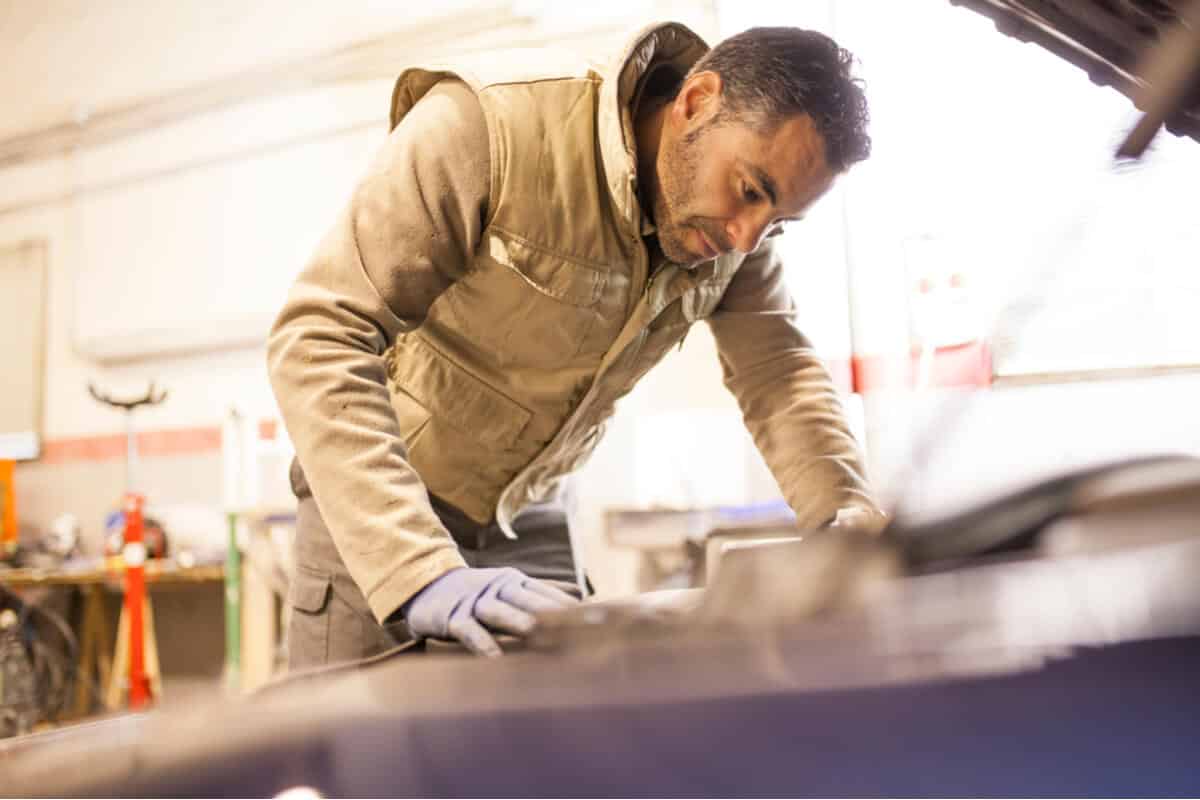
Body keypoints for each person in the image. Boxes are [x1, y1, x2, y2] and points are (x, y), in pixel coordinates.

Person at [268, 21, 882, 668]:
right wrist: (415, 568)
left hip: (530, 518)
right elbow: (320, 333)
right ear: (696, 101)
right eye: (751, 191)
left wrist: (846, 522)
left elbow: (776, 371)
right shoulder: (487, 129)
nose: (745, 239)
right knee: (350, 756)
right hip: (378, 512)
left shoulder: (734, 236)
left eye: (778, 222)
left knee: (551, 750)